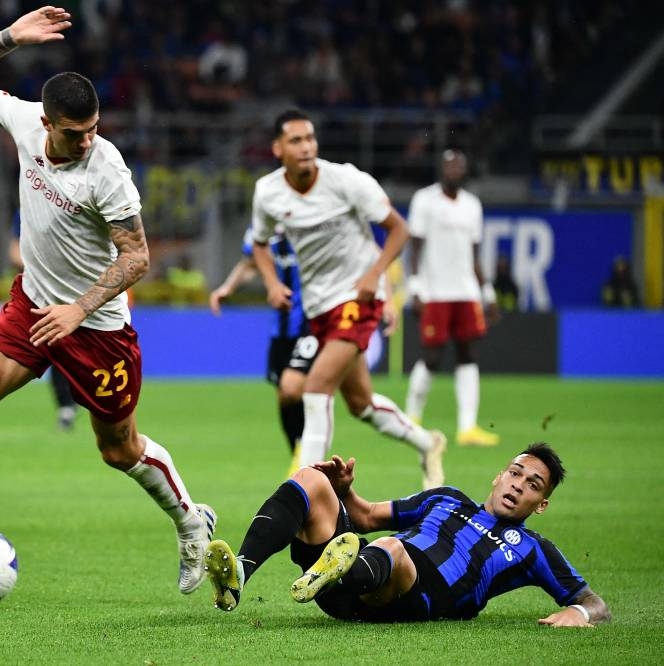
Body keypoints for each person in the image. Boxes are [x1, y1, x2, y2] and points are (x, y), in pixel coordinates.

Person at [0, 6, 216, 595]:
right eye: (75, 132)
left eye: (94, 128)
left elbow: (138, 257)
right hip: (33, 305)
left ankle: (191, 523)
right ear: (46, 122)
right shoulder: (23, 122)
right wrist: (9, 39)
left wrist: (79, 308)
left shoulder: (109, 171)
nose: (88, 139)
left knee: (119, 451)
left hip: (96, 328)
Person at [204, 443, 611, 627]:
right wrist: (344, 490)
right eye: (516, 473)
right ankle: (241, 571)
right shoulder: (446, 498)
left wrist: (577, 613)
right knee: (311, 480)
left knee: (394, 548)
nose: (519, 485)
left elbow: (596, 604)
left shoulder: (532, 548)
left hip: (419, 594)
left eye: (534, 485)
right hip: (366, 568)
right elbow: (363, 516)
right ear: (499, 475)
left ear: (541, 504)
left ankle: (336, 572)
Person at [250, 109, 446, 490]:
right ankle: (428, 442)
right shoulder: (268, 192)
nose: (306, 147)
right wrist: (272, 283)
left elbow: (398, 229)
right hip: (319, 309)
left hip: (357, 298)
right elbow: (259, 243)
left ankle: (306, 490)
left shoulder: (347, 180)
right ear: (278, 149)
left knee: (314, 386)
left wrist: (375, 277)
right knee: (362, 404)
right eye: (296, 140)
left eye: (310, 138)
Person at [404, 149, 500, 447]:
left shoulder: (473, 205)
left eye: (460, 166)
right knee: (432, 356)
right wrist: (415, 288)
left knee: (468, 354)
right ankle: (410, 417)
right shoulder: (425, 200)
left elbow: (474, 254)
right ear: (440, 170)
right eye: (450, 166)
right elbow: (415, 249)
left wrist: (487, 292)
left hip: (466, 291)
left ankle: (467, 427)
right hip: (435, 292)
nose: (455, 170)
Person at [210, 225, 310, 470]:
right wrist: (228, 288)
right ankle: (300, 457)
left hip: (312, 322)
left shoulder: (310, 219)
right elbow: (250, 263)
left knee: (292, 388)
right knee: (284, 397)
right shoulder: (262, 227)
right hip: (281, 327)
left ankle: (306, 459)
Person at [8, 210, 78, 431]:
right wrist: (37, 267)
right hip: (42, 294)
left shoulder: (76, 204)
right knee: (56, 347)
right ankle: (65, 407)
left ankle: (84, 401)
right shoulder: (29, 207)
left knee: (77, 353)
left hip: (78, 293)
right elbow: (13, 251)